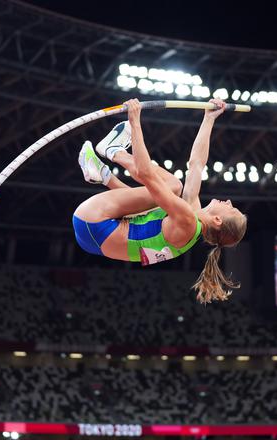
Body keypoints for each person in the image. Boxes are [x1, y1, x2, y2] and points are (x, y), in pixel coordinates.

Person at [72, 98, 247, 303]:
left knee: (172, 186)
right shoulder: (190, 220)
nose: (228, 201)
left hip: (95, 221)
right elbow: (196, 164)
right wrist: (209, 119)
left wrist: (135, 122)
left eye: (231, 208)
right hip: (93, 236)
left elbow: (146, 174)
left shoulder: (187, 221)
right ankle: (102, 175)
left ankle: (114, 151)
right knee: (154, 206)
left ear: (218, 220)